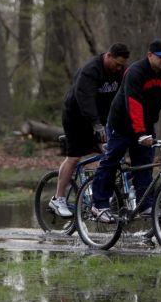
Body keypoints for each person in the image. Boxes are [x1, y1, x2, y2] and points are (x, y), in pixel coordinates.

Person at [90, 39, 161, 219]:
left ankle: (145, 205)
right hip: (121, 124)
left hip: (144, 126)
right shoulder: (136, 72)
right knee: (111, 161)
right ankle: (98, 205)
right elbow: (134, 103)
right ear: (149, 55)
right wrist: (140, 134)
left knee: (144, 166)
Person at [48, 43, 130, 217]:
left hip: (100, 118)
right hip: (76, 116)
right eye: (116, 64)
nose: (119, 68)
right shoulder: (90, 70)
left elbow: (123, 97)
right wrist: (96, 125)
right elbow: (85, 100)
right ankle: (58, 198)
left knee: (109, 154)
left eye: (122, 65)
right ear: (108, 56)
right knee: (74, 156)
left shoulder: (121, 72)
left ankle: (97, 193)